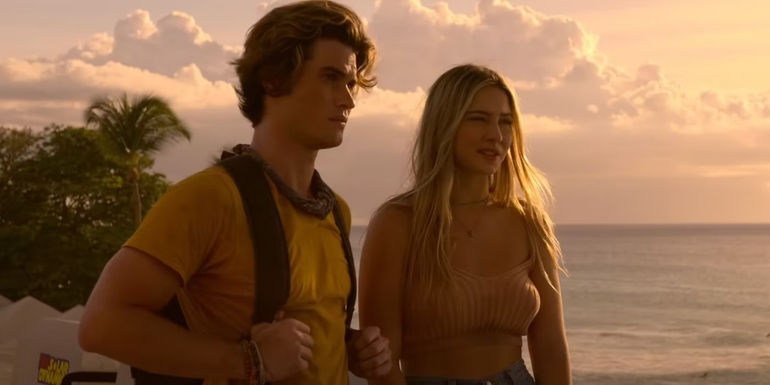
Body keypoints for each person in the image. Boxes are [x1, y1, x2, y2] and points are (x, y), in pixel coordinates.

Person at [78, 1, 391, 384]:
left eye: (351, 83)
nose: (348, 100)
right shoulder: (211, 198)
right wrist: (246, 361)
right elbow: (101, 324)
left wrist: (351, 348)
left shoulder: (334, 210)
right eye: (330, 77)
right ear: (273, 79)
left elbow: (308, 330)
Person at [358, 64, 571, 385]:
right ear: (445, 124)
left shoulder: (528, 222)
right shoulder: (397, 223)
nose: (496, 135)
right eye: (478, 119)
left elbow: (551, 349)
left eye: (506, 122)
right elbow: (382, 363)